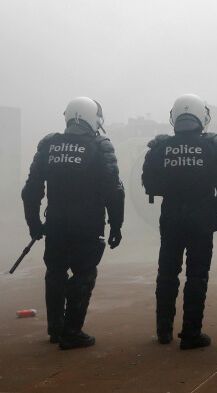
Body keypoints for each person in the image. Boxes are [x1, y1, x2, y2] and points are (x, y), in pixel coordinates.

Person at [21, 97, 125, 350]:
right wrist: (116, 225)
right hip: (88, 224)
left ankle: (56, 330)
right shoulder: (101, 146)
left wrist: (34, 224)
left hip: (56, 222)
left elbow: (31, 190)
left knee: (55, 272)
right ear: (94, 118)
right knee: (84, 273)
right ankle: (72, 332)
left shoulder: (48, 145)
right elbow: (115, 191)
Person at [142, 94, 217, 349]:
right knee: (197, 275)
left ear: (174, 117)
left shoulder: (159, 148)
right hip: (202, 216)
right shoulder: (213, 147)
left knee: (166, 274)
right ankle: (191, 334)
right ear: (202, 118)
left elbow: (149, 184)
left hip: (171, 216)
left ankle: (164, 331)